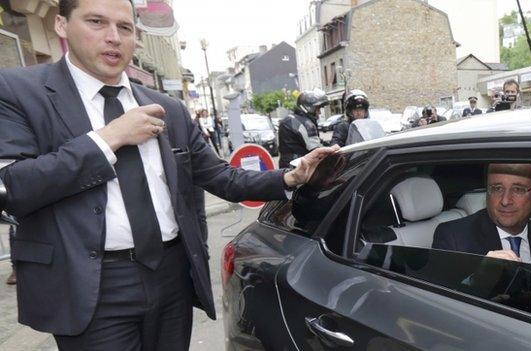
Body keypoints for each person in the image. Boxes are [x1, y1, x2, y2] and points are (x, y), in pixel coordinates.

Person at [0, 0, 338, 349]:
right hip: (91, 284)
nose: (113, 38)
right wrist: (109, 138)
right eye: (96, 22)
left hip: (171, 273)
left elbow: (222, 177)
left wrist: (290, 177)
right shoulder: (20, 91)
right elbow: (13, 188)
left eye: (125, 28)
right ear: (61, 24)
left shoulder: (169, 108)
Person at [432, 163, 531, 263]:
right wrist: (480, 278)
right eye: (497, 188)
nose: (505, 201)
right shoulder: (454, 239)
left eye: (518, 189)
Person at [278, 89, 328, 168]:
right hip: (300, 167)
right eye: (317, 108)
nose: (319, 112)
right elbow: (317, 151)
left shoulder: (290, 119)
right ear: (308, 107)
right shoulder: (306, 124)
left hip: (286, 165)